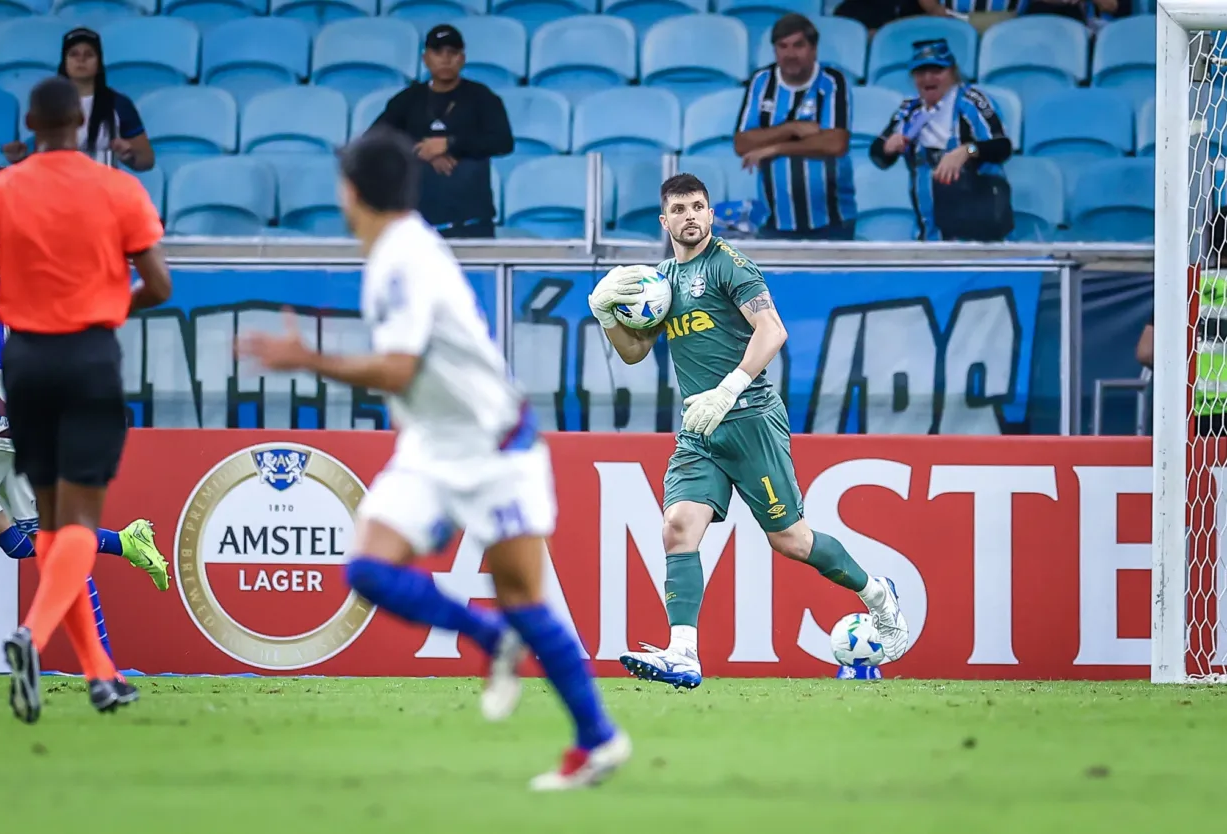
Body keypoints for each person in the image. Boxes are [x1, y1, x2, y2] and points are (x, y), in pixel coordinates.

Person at [236, 127, 629, 790]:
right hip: (433, 447)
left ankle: (598, 738)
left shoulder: (403, 257)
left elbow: (397, 368)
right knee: (367, 569)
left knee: (524, 599)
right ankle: (489, 636)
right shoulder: (396, 249)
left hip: (494, 446)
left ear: (351, 192)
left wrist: (307, 360)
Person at [590, 173, 908, 689]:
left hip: (749, 418)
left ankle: (878, 595)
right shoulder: (661, 282)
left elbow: (772, 330)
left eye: (698, 206)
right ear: (664, 220)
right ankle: (683, 653)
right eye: (679, 209)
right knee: (677, 527)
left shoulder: (729, 263)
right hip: (700, 429)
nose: (690, 216)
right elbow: (634, 353)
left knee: (791, 540)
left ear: (710, 214)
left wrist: (728, 388)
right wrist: (605, 314)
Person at [0, 77, 173, 723]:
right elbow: (159, 285)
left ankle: (100, 675)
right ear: (83, 126)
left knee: (50, 529)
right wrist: (108, 305)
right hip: (88, 356)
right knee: (73, 527)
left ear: (30, 123)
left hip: (24, 368)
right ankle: (33, 637)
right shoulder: (119, 188)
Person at [366, 24, 512, 238]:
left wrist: (450, 145)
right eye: (438, 52)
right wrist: (421, 150)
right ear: (425, 58)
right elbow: (373, 141)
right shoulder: (407, 99)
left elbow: (503, 142)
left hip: (472, 222)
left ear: (462, 58)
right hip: (417, 223)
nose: (445, 59)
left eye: (452, 52)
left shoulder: (482, 97)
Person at [870, 39, 1013, 242]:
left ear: (953, 72)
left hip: (979, 232)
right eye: (920, 72)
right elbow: (878, 157)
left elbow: (1003, 147)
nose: (928, 78)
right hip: (928, 233)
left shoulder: (972, 101)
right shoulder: (909, 109)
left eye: (937, 70)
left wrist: (967, 151)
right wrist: (887, 148)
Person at [734, 14, 856, 241]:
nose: (790, 54)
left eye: (798, 45)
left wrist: (774, 148)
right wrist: (791, 128)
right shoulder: (761, 82)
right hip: (774, 223)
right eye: (783, 46)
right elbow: (742, 143)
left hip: (833, 222)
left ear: (814, 49)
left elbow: (835, 143)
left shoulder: (832, 81)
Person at [2, 28, 155, 171]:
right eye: (74, 54)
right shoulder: (49, 103)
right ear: (64, 61)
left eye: (89, 54)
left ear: (99, 63)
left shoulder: (119, 104)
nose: (81, 59)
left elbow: (147, 160)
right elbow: (44, 157)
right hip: (56, 186)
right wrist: (22, 159)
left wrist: (128, 156)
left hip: (101, 187)